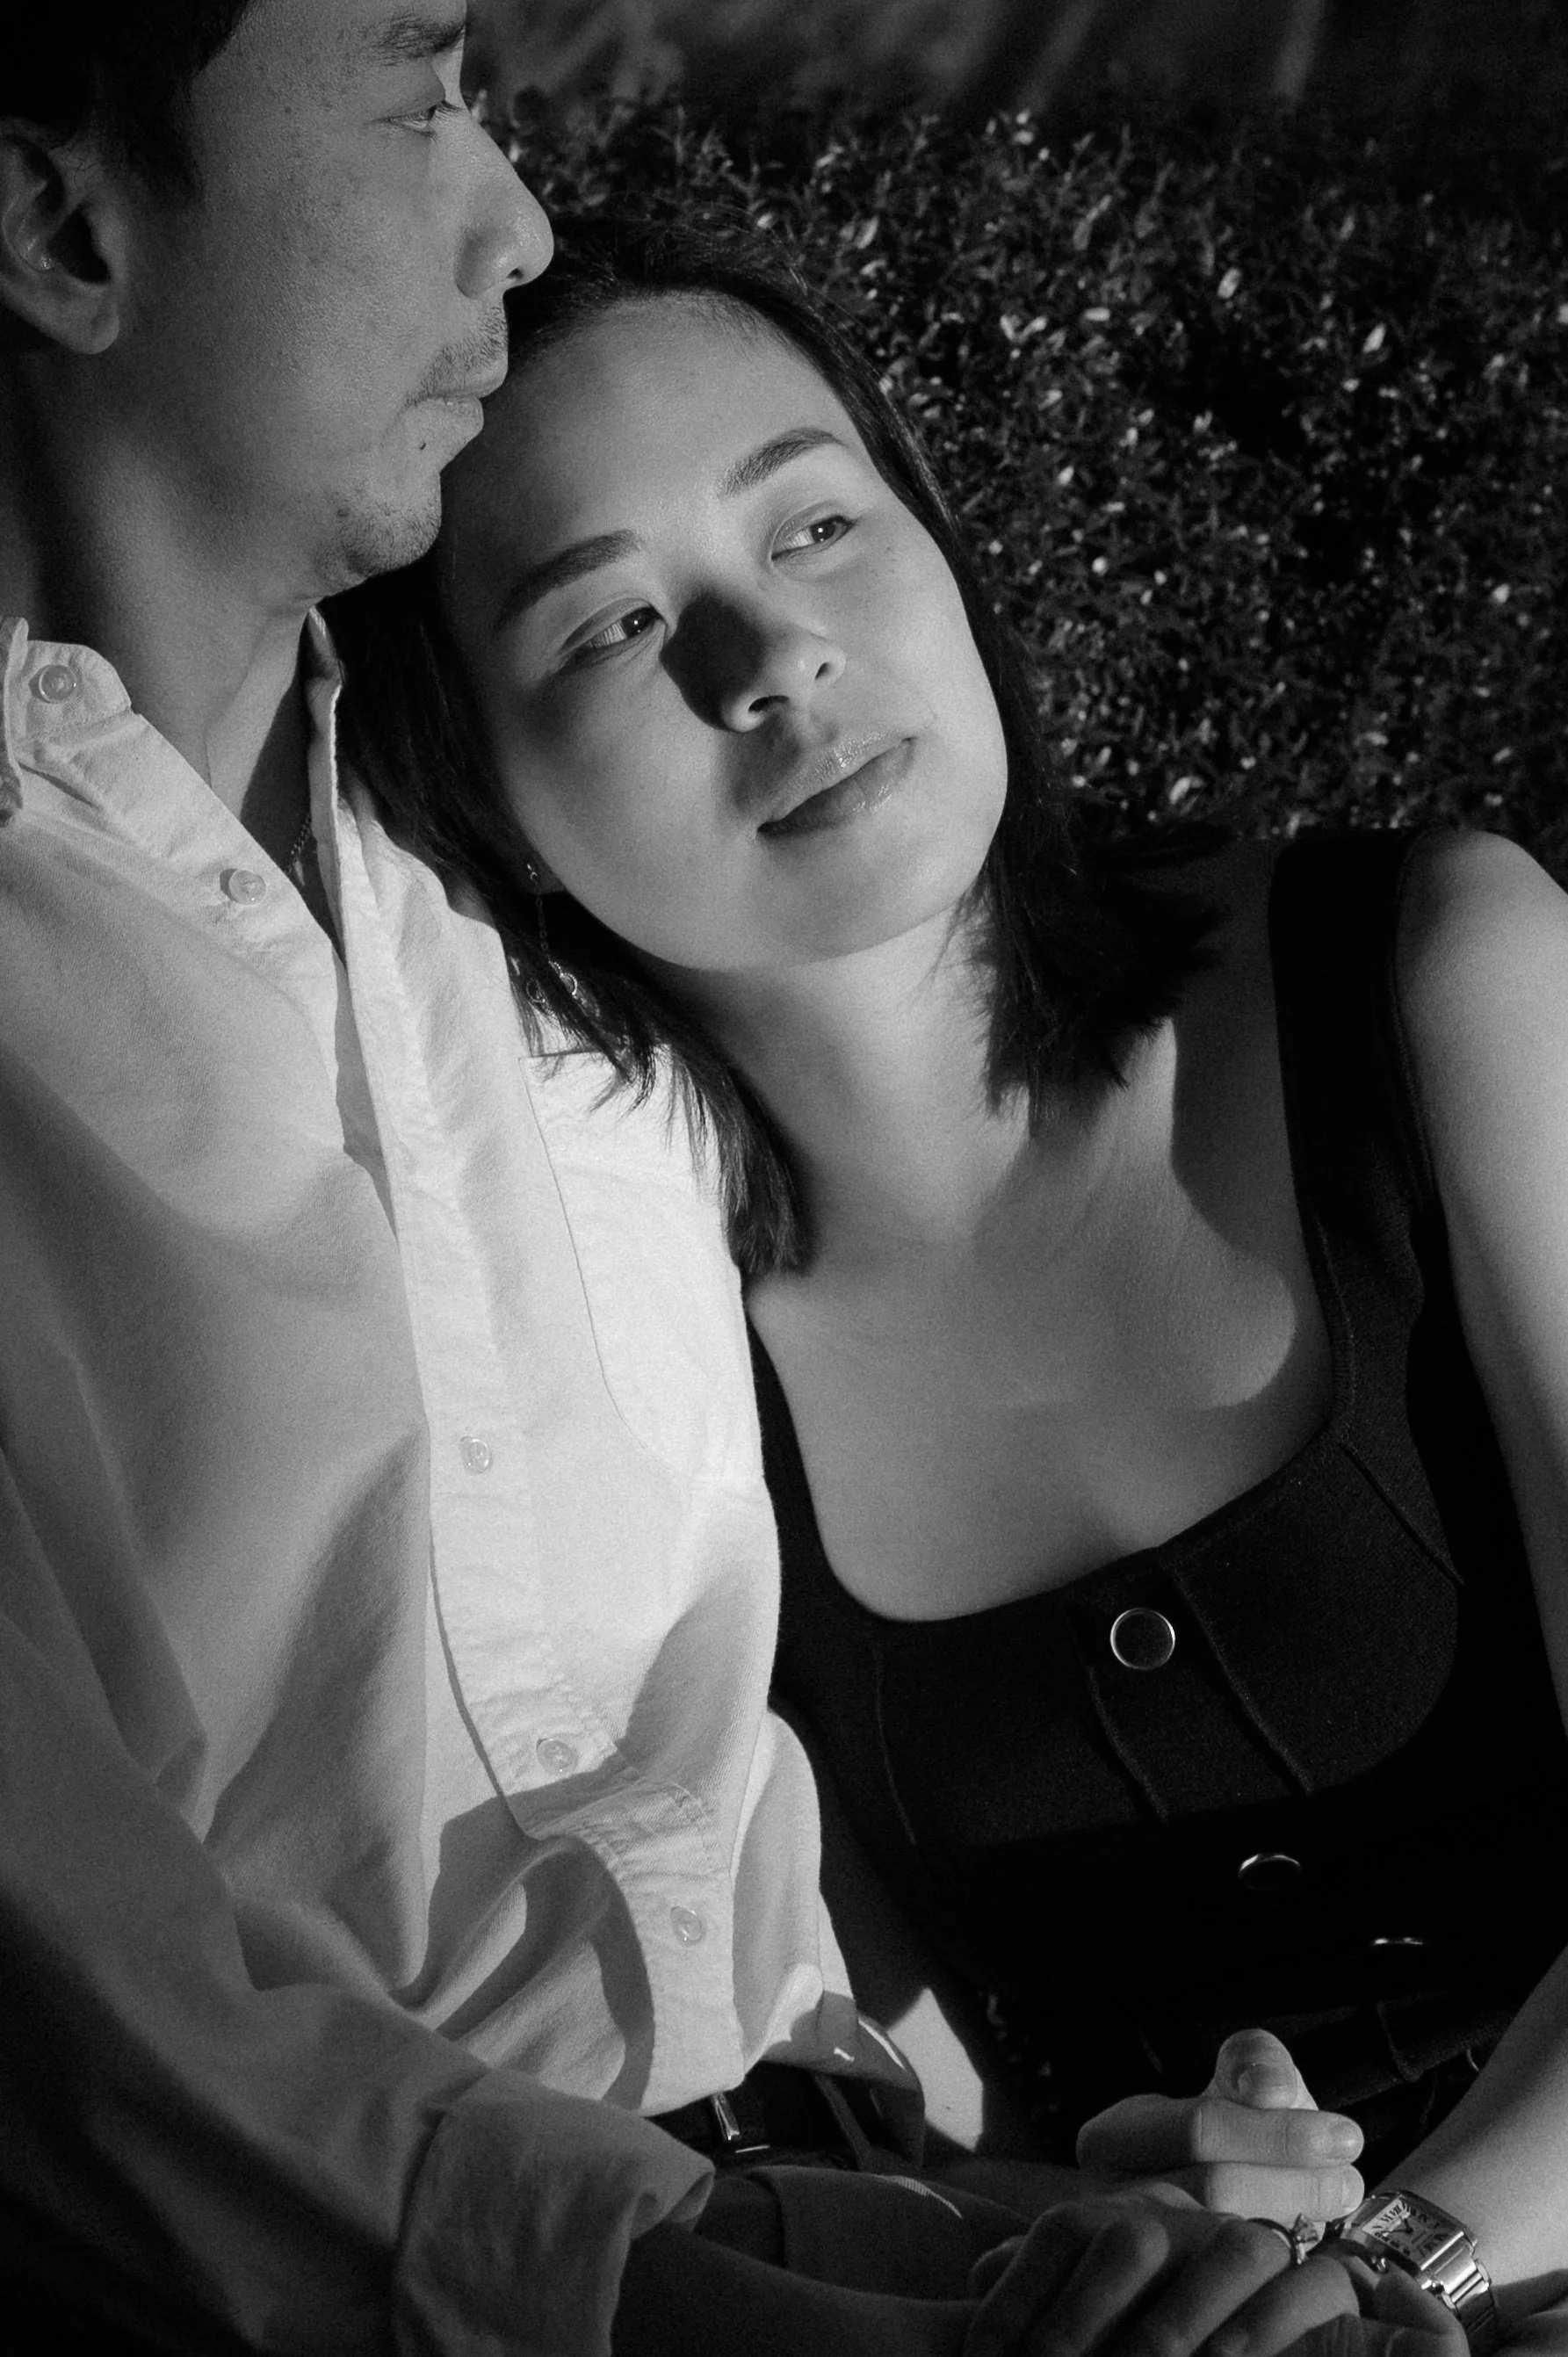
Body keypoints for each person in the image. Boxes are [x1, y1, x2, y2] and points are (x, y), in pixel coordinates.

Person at [0, 11, 1365, 2356]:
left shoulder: (517, 933)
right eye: (421, 93)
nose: (511, 220)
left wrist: (1063, 2220)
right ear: (60, 222)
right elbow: (81, 2057)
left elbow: (722, 1933)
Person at [331, 217, 1568, 2357]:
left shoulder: (1435, 977)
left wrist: (1392, 2275)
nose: (772, 656)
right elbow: (918, 2094)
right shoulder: (645, 1376)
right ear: (489, 798)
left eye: (817, 521)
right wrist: (1112, 2218)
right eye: (614, 625)